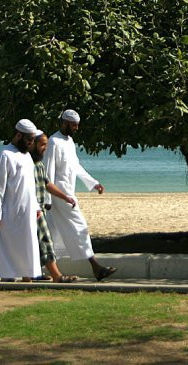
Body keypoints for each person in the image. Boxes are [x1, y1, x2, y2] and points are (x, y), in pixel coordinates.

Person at [44, 109, 117, 280]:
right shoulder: (53, 142)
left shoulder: (69, 142)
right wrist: (48, 199)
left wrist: (93, 183)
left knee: (51, 233)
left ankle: (7, 265)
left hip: (68, 193)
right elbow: (47, 173)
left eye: (77, 125)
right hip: (59, 196)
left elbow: (76, 167)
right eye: (73, 125)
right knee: (80, 227)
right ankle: (96, 267)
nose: (76, 128)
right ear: (64, 123)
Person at [0, 119, 42, 282]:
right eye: (29, 139)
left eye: (32, 140)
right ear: (18, 135)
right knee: (8, 247)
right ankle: (4, 276)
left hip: (28, 210)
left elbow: (31, 185)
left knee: (27, 245)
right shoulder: (6, 155)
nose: (31, 143)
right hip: (9, 211)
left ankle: (26, 277)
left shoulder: (27, 157)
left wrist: (37, 207)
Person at [29, 129, 78, 283]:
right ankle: (57, 276)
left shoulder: (38, 164)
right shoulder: (25, 163)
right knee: (45, 240)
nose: (45, 148)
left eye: (47, 145)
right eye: (43, 145)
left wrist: (65, 197)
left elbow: (47, 184)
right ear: (32, 144)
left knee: (29, 243)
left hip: (39, 209)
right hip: (31, 209)